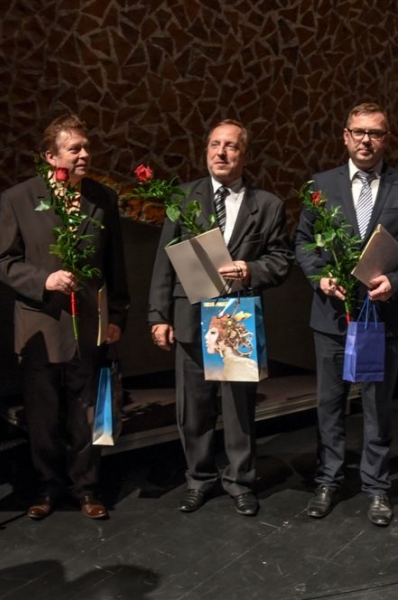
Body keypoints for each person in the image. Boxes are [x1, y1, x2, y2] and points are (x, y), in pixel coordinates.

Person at [294, 102, 398, 526]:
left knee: (377, 406)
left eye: (375, 133)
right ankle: (328, 480)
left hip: (381, 316)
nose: (366, 140)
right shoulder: (320, 185)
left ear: (386, 139)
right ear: (345, 136)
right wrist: (319, 278)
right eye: (358, 132)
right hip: (331, 316)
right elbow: (302, 242)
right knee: (330, 404)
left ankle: (377, 487)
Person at [148, 119, 292, 517]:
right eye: (215, 144)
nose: (221, 152)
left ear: (243, 154)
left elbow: (282, 260)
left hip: (235, 315)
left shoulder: (267, 205)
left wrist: (251, 269)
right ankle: (199, 479)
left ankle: (240, 481)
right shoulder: (184, 197)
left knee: (238, 408)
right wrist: (158, 315)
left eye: (230, 146)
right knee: (193, 407)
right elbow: (164, 260)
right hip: (190, 315)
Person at [0, 114, 129, 520]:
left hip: (88, 322)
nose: (85, 155)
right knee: (43, 414)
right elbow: (2, 261)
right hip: (41, 323)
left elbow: (115, 263)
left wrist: (117, 314)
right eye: (75, 149)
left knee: (87, 411)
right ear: (50, 156)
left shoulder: (102, 198)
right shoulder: (19, 198)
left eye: (87, 147)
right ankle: (47, 487)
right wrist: (43, 280)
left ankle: (86, 488)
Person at [203, 314, 259, 382]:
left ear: (228, 336)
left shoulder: (238, 366)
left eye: (213, 332)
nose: (206, 336)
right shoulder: (234, 363)